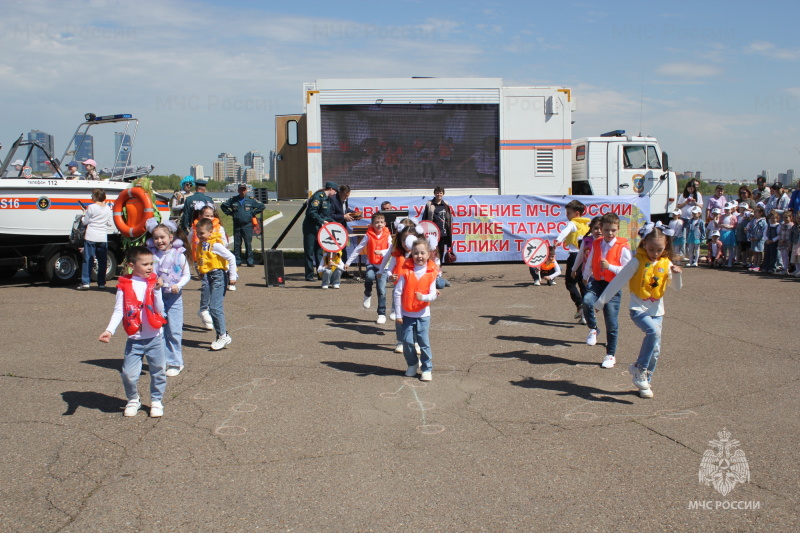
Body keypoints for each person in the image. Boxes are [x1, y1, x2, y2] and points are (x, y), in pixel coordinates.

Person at [593, 222, 682, 399]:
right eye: (651, 249)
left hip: (657, 310)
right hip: (638, 308)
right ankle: (639, 369)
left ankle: (645, 380)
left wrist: (677, 274)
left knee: (655, 350)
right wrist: (599, 303)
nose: (655, 254)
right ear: (644, 245)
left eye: (659, 250)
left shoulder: (666, 262)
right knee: (653, 332)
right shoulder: (636, 262)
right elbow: (618, 282)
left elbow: (676, 288)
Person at [98, 246, 168, 417]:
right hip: (135, 339)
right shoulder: (124, 285)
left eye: (151, 263)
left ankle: (156, 401)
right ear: (132, 265)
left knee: (158, 371)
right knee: (128, 374)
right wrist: (109, 330)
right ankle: (133, 399)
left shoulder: (153, 282)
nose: (150, 267)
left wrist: (157, 290)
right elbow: (119, 310)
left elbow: (159, 309)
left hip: (155, 338)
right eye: (145, 264)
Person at [581, 213, 631, 369]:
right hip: (597, 282)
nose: (610, 233)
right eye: (607, 230)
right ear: (601, 229)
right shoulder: (597, 243)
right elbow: (590, 261)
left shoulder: (622, 247)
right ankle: (593, 329)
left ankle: (610, 354)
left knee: (611, 322)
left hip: (613, 286)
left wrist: (610, 266)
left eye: (613, 230)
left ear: (618, 230)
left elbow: (628, 270)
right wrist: (585, 275)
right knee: (587, 301)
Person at [146, 219, 190, 377]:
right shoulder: (151, 254)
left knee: (174, 330)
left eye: (162, 237)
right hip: (156, 296)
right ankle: (162, 360)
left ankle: (176, 362)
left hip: (173, 296)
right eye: (156, 238)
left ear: (171, 237)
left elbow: (187, 274)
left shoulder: (179, 254)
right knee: (158, 330)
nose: (159, 241)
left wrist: (179, 285)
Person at [393, 238, 439, 382]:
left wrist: (424, 297)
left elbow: (433, 294)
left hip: (423, 314)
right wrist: (398, 314)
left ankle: (426, 368)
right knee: (407, 341)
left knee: (423, 342)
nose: (419, 256)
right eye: (416, 253)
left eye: (422, 253)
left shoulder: (431, 272)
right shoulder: (406, 271)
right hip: (407, 314)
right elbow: (397, 292)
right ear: (411, 254)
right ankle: (412, 364)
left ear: (429, 254)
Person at [194, 218, 238, 350]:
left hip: (218, 276)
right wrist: (200, 272)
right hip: (207, 277)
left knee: (215, 307)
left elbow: (231, 257)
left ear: (210, 231)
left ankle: (223, 336)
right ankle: (222, 335)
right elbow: (200, 260)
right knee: (208, 306)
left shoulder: (216, 245)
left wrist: (232, 277)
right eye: (197, 233)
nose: (199, 236)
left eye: (202, 233)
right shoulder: (201, 245)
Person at [344, 212, 392, 324]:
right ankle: (367, 293)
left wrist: (382, 252)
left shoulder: (388, 235)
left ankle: (381, 314)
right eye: (376, 222)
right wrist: (348, 262)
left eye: (381, 222)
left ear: (385, 223)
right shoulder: (368, 235)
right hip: (371, 263)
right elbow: (358, 249)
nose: (379, 224)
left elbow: (391, 249)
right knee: (369, 276)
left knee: (381, 290)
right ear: (372, 224)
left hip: (383, 266)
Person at [189, 204, 228, 330]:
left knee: (212, 287)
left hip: (214, 262)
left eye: (212, 216)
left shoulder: (218, 229)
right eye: (207, 216)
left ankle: (205, 309)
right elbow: (187, 240)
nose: (210, 218)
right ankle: (204, 309)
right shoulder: (195, 229)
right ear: (200, 216)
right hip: (199, 260)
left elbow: (225, 243)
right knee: (205, 284)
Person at [554, 199, 591, 321]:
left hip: (575, 256)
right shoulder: (585, 225)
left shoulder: (573, 223)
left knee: (570, 283)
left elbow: (565, 231)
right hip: (585, 257)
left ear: (576, 213)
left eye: (568, 213)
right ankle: (585, 314)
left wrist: (558, 240)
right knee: (582, 284)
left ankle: (580, 304)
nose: (567, 215)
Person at [220, 184, 266, 267]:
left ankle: (250, 261)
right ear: (238, 190)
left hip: (247, 225)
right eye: (241, 190)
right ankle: (237, 261)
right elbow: (223, 206)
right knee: (237, 244)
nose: (242, 191)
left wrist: (253, 213)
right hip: (237, 225)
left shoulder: (251, 200)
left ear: (246, 190)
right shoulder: (233, 200)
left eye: (244, 190)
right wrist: (231, 213)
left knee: (248, 243)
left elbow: (262, 206)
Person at [302, 181, 338, 281]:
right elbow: (311, 212)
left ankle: (320, 273)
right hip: (311, 227)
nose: (335, 193)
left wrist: (335, 223)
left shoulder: (328, 200)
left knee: (319, 252)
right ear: (330, 189)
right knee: (309, 252)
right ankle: (309, 275)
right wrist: (322, 221)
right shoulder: (318, 196)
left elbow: (327, 215)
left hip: (320, 229)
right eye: (335, 191)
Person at [79, 188, 112, 290]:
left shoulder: (91, 207)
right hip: (102, 237)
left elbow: (85, 222)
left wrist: (84, 213)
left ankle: (86, 282)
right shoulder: (108, 208)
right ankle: (101, 283)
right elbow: (110, 223)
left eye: (92, 195)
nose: (91, 197)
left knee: (88, 259)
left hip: (91, 235)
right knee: (102, 261)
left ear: (96, 196)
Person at [421, 186, 453, 262]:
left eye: (441, 193)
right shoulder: (429, 204)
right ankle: (431, 267)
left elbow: (448, 218)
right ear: (435, 194)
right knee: (432, 250)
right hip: (432, 232)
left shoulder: (446, 204)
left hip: (443, 232)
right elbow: (424, 218)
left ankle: (439, 268)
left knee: (441, 251)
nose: (439, 194)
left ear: (443, 194)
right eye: (437, 193)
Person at [677, 180, 702, 255]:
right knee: (683, 236)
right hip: (684, 217)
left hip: (693, 218)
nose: (690, 190)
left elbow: (701, 206)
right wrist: (686, 202)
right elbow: (679, 206)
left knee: (691, 236)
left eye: (692, 189)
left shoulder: (698, 194)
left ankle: (690, 253)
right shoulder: (683, 195)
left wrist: (695, 203)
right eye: (689, 189)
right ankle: (683, 252)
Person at [747, 206, 767, 272]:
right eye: (754, 212)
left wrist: (757, 238)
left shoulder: (763, 221)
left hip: (759, 240)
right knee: (755, 252)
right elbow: (749, 228)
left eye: (756, 212)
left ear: (761, 213)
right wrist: (750, 237)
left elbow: (763, 231)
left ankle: (758, 265)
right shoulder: (753, 220)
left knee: (759, 252)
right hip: (753, 238)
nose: (755, 213)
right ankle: (754, 264)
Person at [777, 210, 794, 275]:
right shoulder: (782, 225)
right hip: (782, 243)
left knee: (788, 256)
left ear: (790, 217)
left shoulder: (792, 225)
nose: (785, 219)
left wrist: (787, 241)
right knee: (783, 255)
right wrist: (780, 240)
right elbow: (780, 233)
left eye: (786, 217)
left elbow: (791, 235)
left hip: (788, 243)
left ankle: (788, 268)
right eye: (783, 217)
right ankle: (785, 268)